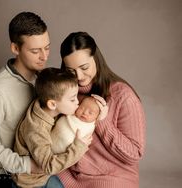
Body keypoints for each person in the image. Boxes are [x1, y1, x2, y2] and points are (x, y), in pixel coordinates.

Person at [57, 32, 146, 188]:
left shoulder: (123, 96)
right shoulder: (67, 94)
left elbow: (134, 155)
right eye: (71, 71)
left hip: (111, 179)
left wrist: (102, 121)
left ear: (96, 59)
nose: (78, 76)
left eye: (84, 67)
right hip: (69, 175)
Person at [0, 12, 50, 188]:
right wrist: (26, 165)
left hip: (37, 173)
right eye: (35, 51)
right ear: (15, 48)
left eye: (47, 47)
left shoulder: (45, 80)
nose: (44, 56)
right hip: (3, 177)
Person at [13, 68, 92, 188]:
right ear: (52, 104)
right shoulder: (36, 130)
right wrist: (78, 148)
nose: (78, 102)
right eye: (72, 99)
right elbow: (49, 166)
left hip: (44, 172)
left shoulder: (48, 106)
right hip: (31, 181)